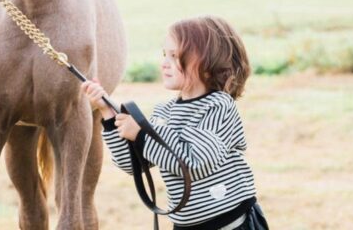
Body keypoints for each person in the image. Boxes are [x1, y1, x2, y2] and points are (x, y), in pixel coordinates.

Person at [82, 16, 269, 230]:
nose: (164, 63)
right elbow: (132, 164)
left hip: (231, 224)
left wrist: (142, 135)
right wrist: (109, 115)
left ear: (208, 63)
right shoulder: (165, 112)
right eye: (165, 55)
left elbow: (196, 162)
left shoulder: (218, 106)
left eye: (174, 56)